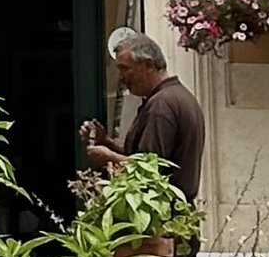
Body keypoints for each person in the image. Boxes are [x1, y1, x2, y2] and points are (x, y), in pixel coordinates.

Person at [78, 28, 205, 210]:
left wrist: (109, 158)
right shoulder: (177, 96)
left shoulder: (162, 104)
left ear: (149, 65)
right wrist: (106, 141)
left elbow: (149, 170)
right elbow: (145, 156)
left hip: (161, 215)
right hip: (174, 213)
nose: (121, 77)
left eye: (125, 69)